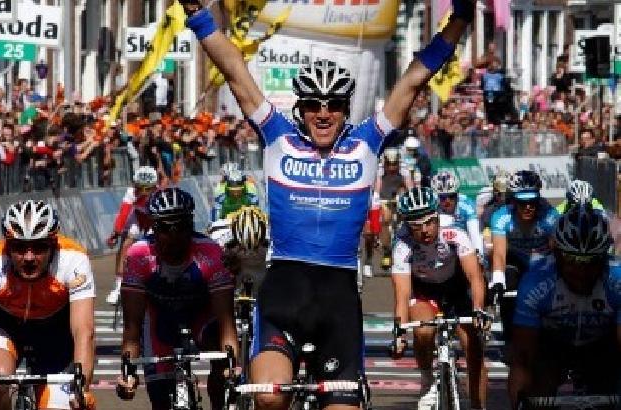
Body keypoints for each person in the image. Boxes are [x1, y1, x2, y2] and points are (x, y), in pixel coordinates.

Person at [179, 0, 475, 408]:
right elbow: (234, 71)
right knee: (268, 399)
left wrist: (460, 19)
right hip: (283, 293)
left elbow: (413, 79)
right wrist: (200, 18)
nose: (323, 113)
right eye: (313, 105)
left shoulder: (367, 142)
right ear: (299, 109)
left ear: (345, 109)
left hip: (338, 301)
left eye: (333, 104)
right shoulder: (277, 136)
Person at [0, 200, 95, 410]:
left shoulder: (74, 260)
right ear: (7, 246)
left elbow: (83, 331)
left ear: (53, 244)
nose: (29, 257)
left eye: (39, 247)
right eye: (19, 247)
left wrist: (82, 389)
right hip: (3, 325)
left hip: (54, 330)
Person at [115, 188, 238, 410]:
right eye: (165, 228)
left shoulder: (210, 253)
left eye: (181, 226)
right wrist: (128, 373)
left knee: (223, 368)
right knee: (160, 398)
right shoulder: (138, 256)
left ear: (191, 225)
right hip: (160, 319)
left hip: (201, 317)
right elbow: (132, 328)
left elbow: (226, 323)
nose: (174, 236)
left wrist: (231, 366)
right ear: (154, 228)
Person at [508, 206, 620, 407]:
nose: (582, 271)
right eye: (573, 260)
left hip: (602, 344)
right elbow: (522, 360)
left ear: (604, 258)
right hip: (552, 345)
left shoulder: (617, 281)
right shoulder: (535, 282)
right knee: (537, 384)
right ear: (557, 255)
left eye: (591, 261)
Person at [391, 187, 488, 410]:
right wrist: (400, 333)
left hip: (456, 287)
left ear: (437, 215)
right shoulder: (402, 243)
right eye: (416, 226)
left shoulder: (454, 230)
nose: (424, 230)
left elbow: (475, 276)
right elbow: (402, 295)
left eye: (429, 222)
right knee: (423, 331)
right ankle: (427, 381)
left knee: (473, 347)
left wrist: (479, 309)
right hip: (424, 291)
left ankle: (478, 405)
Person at [489, 170, 560, 346]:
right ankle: (510, 338)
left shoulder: (549, 216)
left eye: (532, 202)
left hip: (543, 260)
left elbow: (558, 251)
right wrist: (498, 279)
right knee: (508, 280)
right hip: (516, 260)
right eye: (522, 202)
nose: (528, 207)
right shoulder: (501, 217)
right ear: (513, 201)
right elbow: (499, 253)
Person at [105, 165, 159, 305]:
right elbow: (123, 214)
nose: (140, 191)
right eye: (138, 187)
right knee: (126, 244)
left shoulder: (159, 194)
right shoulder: (131, 192)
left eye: (144, 188)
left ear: (153, 187)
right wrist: (115, 233)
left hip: (153, 219)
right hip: (137, 216)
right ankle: (118, 286)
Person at [431, 170, 484, 258]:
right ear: (436, 196)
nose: (447, 201)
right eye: (443, 197)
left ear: (457, 194)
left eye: (452, 196)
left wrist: (479, 255)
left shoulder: (466, 205)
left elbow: (474, 234)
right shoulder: (432, 205)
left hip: (465, 243)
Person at [374, 147, 407, 269]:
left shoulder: (404, 169)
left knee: (405, 218)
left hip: (398, 195)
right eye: (389, 164)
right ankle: (387, 251)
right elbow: (377, 189)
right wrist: (376, 198)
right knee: (385, 219)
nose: (392, 167)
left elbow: (410, 188)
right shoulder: (379, 170)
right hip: (384, 196)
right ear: (384, 163)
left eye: (394, 164)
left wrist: (407, 198)